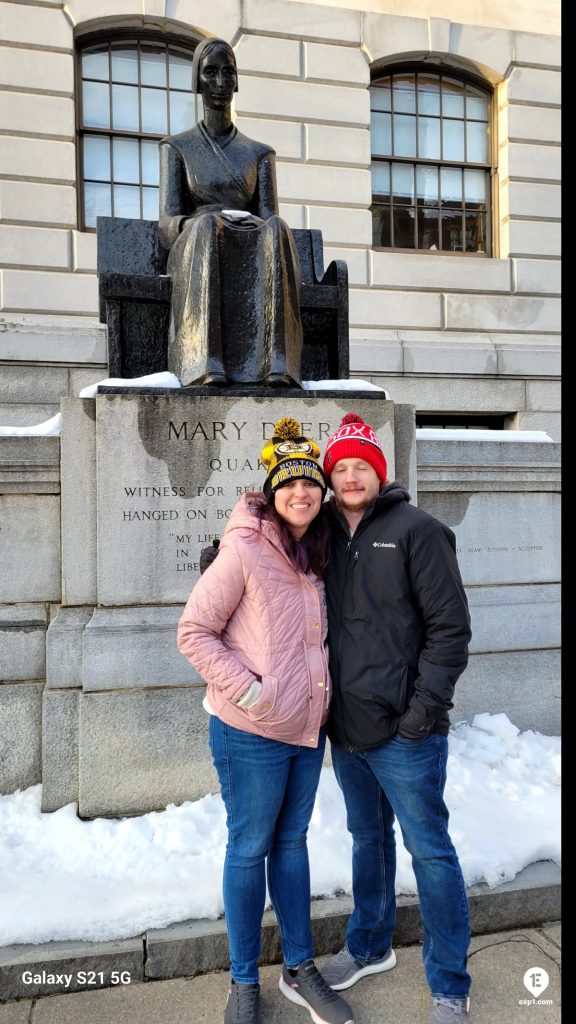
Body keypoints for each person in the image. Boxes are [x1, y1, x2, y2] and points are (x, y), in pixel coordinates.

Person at [177, 417, 354, 1024]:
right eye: (288, 484)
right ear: (272, 491)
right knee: (249, 848)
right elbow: (194, 632)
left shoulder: (320, 550)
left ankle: (300, 969)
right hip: (249, 732)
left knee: (291, 845)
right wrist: (251, 693)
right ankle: (244, 981)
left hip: (305, 733)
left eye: (310, 484)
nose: (300, 493)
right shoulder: (247, 546)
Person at [318, 413, 472, 1024]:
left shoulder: (418, 531)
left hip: (407, 732)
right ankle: (369, 944)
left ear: (380, 472)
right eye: (342, 468)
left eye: (363, 466)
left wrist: (421, 714)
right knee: (367, 840)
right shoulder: (321, 533)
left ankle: (449, 985)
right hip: (347, 726)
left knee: (430, 851)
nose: (351, 476)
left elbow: (450, 630)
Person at [159, 38, 303, 388]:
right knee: (209, 225)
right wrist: (195, 224)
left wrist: (248, 223)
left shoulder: (258, 153)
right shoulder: (177, 147)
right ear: (198, 81)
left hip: (249, 238)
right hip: (199, 240)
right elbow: (167, 223)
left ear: (237, 81)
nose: (220, 84)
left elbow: (269, 216)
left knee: (279, 228)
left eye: (228, 73)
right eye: (211, 73)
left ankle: (279, 363)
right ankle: (204, 362)